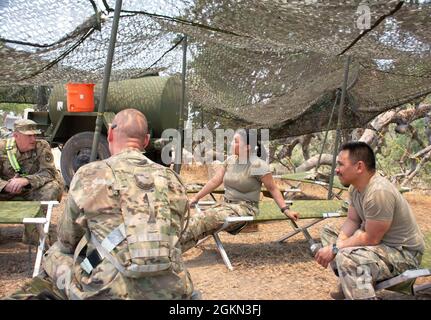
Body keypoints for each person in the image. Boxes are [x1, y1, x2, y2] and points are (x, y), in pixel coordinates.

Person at [7, 109, 194, 300]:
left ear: (111, 134)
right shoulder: (173, 179)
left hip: (106, 290)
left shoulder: (88, 174)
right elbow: (178, 233)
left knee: (55, 253)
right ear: (146, 141)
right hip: (173, 289)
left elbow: (67, 241)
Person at [314, 141, 425, 300]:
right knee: (328, 231)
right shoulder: (355, 188)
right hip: (380, 246)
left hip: (404, 254)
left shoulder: (378, 192)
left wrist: (337, 249)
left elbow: (371, 238)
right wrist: (338, 246)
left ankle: (359, 289)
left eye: (340, 164)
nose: (336, 170)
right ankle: (350, 281)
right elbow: (352, 220)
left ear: (359, 167)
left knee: (347, 257)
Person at [180, 129, 299, 252]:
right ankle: (169, 252)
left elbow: (273, 189)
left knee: (203, 219)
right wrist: (196, 198)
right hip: (224, 205)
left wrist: (286, 210)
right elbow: (214, 181)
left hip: (245, 209)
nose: (231, 144)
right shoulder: (230, 161)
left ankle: (166, 248)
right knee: (199, 224)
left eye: (235, 141)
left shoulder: (258, 165)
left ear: (247, 147)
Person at [0, 119, 63, 243]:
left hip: (32, 190)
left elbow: (48, 172)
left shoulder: (42, 146)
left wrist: (26, 181)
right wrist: (5, 186)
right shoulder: (2, 148)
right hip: (6, 191)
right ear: (16, 135)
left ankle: (33, 231)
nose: (33, 139)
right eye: (29, 136)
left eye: (35, 135)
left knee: (52, 187)